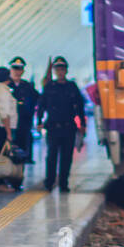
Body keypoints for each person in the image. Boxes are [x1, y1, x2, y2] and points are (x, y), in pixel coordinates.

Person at [36, 55, 87, 193]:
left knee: (66, 157)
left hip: (68, 127)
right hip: (53, 127)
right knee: (51, 156)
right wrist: (39, 121)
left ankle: (64, 183)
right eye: (57, 69)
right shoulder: (49, 87)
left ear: (66, 70)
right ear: (54, 71)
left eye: (62, 69)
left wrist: (82, 124)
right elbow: (42, 105)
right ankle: (49, 182)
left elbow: (79, 107)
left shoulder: (72, 87)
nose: (60, 71)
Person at [0, 65, 21, 190]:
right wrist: (8, 132)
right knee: (0, 155)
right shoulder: (3, 90)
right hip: (1, 127)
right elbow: (4, 113)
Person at [7, 56, 39, 169]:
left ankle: (18, 180)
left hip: (24, 124)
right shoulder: (6, 86)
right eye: (15, 68)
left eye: (19, 69)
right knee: (8, 153)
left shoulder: (27, 86)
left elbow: (37, 100)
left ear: (23, 71)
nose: (17, 71)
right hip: (9, 125)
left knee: (22, 153)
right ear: (10, 69)